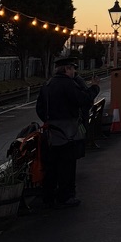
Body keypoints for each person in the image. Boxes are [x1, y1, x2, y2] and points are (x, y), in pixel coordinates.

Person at [35, 56, 97, 208]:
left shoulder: (48, 84)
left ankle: (49, 196)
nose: (74, 71)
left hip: (51, 132)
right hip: (68, 131)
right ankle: (66, 196)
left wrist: (50, 120)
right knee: (67, 165)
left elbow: (40, 108)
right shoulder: (68, 84)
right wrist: (95, 88)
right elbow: (83, 100)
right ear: (67, 69)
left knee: (52, 166)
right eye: (73, 68)